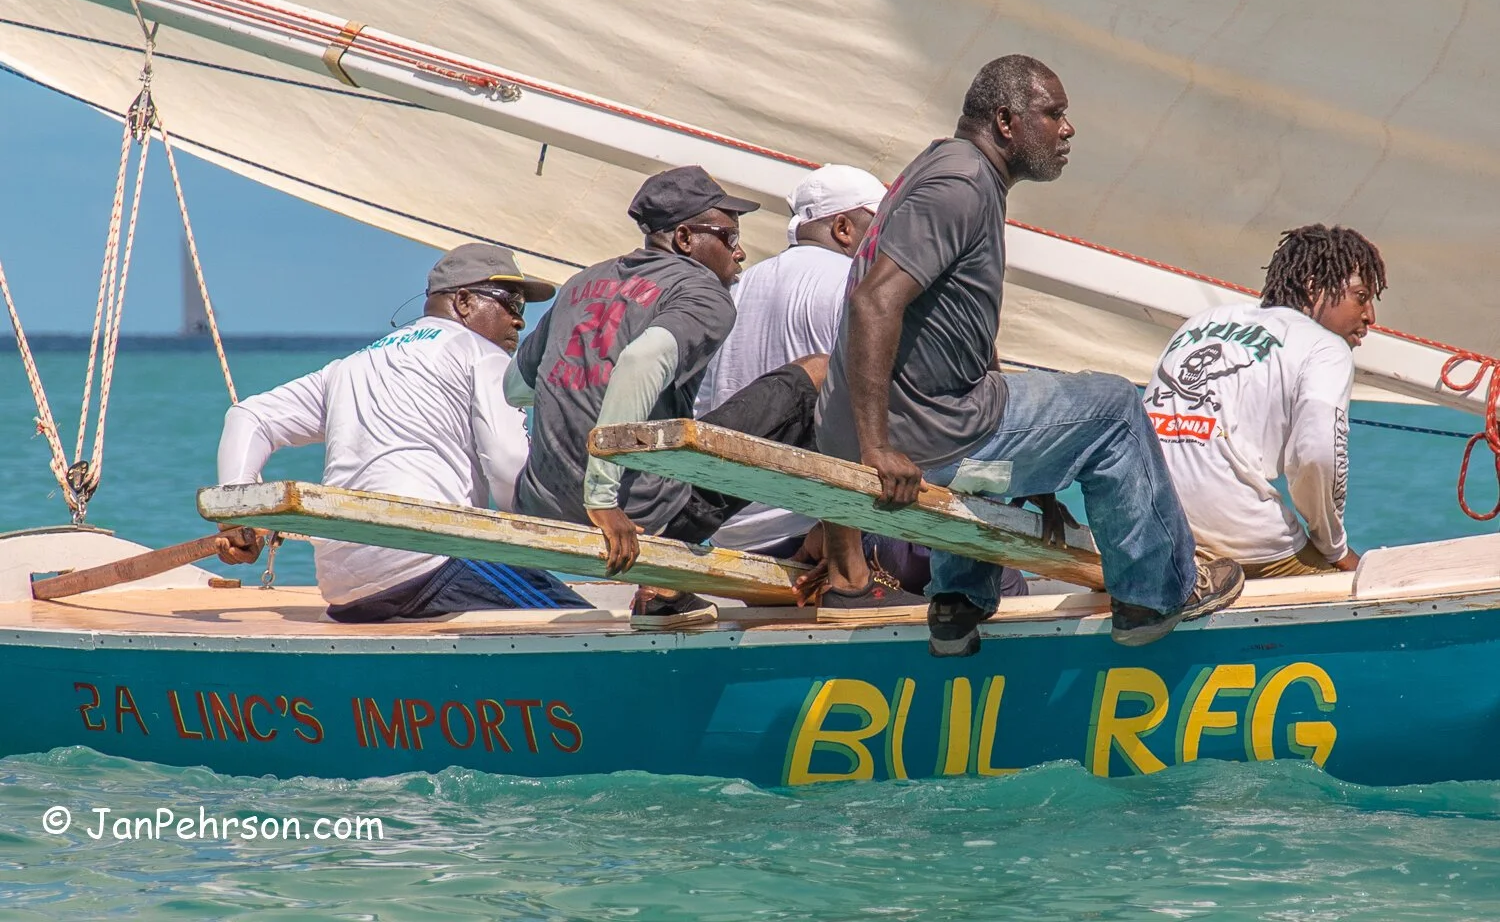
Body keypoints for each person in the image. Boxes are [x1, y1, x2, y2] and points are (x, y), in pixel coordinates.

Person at [815, 54, 1244, 657]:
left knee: (1003, 404)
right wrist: (876, 447)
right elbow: (872, 303)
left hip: (916, 427)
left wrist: (1039, 467)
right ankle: (1156, 593)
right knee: (1118, 409)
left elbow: (963, 343)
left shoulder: (946, 170)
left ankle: (957, 604)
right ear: (1006, 121)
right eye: (1054, 113)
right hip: (915, 439)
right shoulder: (961, 184)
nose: (1067, 129)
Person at [505, 164, 923, 628]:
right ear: (685, 238)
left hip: (544, 504)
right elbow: (641, 362)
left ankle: (667, 587)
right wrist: (601, 494)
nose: (739, 252)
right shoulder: (700, 290)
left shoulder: (583, 284)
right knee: (820, 374)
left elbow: (517, 386)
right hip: (628, 511)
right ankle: (848, 580)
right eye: (727, 236)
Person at [214, 243, 591, 622]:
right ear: (463, 301)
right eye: (511, 303)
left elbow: (250, 416)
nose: (520, 321)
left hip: (344, 586)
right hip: (428, 563)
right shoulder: (482, 354)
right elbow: (510, 472)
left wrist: (237, 514)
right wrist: (583, 530)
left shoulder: (351, 365)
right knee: (589, 626)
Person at [1145, 224, 1385, 577]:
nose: (1370, 318)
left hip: (1148, 522)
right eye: (1361, 297)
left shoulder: (1202, 322)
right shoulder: (1325, 348)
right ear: (1315, 287)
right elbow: (1318, 456)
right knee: (1349, 581)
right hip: (1236, 532)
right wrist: (1334, 548)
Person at [694, 164, 885, 556]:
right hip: (816, 537)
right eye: (883, 224)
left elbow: (702, 407)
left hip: (733, 536)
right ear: (843, 228)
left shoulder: (733, 292)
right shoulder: (861, 288)